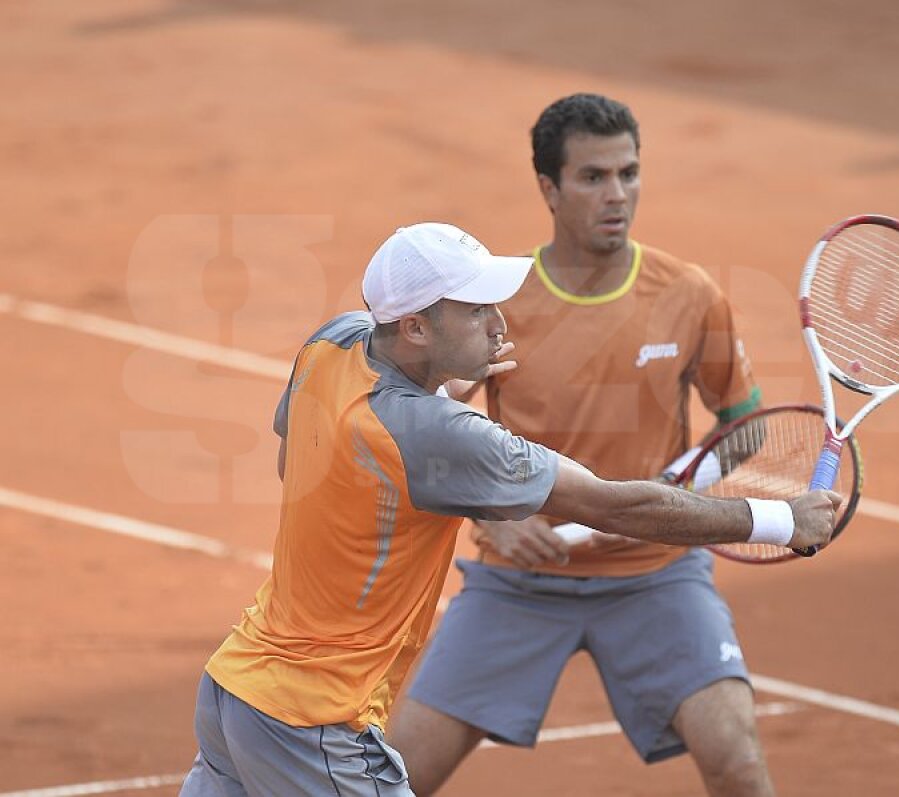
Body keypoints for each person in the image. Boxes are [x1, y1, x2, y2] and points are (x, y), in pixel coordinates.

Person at [179, 220, 840, 796]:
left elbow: (292, 460)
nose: (499, 320)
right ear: (414, 326)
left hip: (236, 688)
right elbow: (615, 504)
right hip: (312, 718)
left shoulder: (332, 343)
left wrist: (443, 384)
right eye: (474, 309)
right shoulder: (442, 434)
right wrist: (781, 518)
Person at [391, 94, 784, 797]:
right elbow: (425, 434)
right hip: (520, 586)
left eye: (629, 173)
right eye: (594, 177)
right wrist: (492, 519)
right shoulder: (499, 304)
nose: (618, 195)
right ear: (548, 187)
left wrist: (693, 480)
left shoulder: (689, 295)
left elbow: (745, 421)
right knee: (399, 774)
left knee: (738, 760)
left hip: (656, 575)